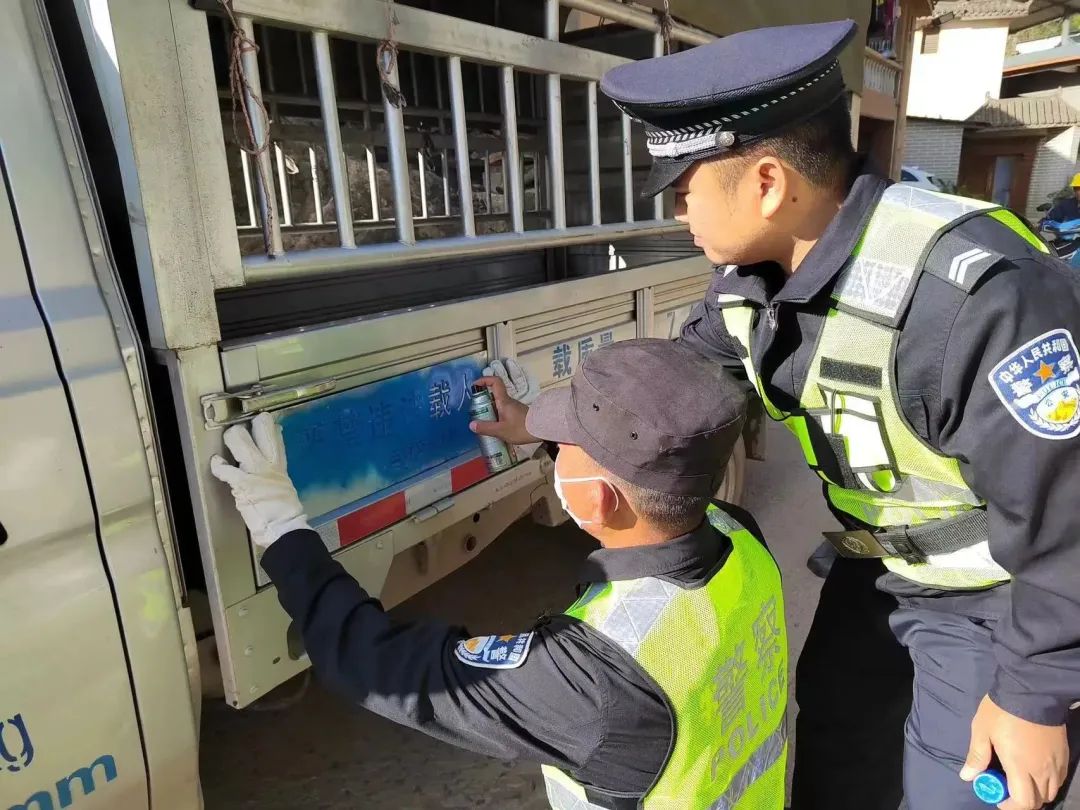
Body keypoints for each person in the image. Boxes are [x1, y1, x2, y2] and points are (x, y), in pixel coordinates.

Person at [474, 19, 1080, 810]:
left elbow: (1069, 507)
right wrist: (541, 421)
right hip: (878, 574)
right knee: (835, 759)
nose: (679, 215)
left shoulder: (976, 296)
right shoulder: (751, 283)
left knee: (958, 792)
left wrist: (1037, 693)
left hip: (1000, 602)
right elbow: (667, 396)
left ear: (766, 183)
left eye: (684, 191)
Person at [211, 338, 788, 809]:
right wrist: (547, 438)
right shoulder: (738, 535)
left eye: (568, 444)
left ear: (601, 498)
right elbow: (629, 497)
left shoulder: (594, 680)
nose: (556, 447)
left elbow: (380, 665)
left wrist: (284, 531)